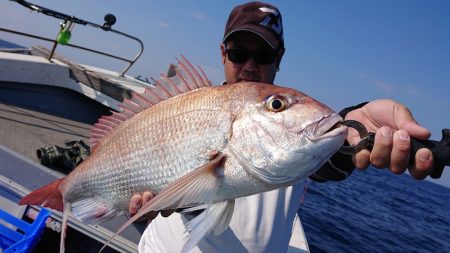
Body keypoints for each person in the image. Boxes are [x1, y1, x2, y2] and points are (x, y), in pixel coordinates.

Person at [131, 2, 434, 252]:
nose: (250, 66)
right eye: (238, 53)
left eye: (263, 55)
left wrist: (355, 132)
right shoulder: (185, 110)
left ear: (279, 59)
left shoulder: (293, 136)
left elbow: (328, 153)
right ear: (223, 54)